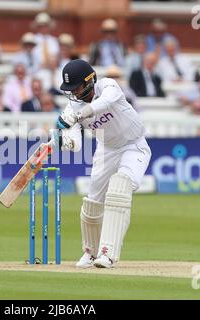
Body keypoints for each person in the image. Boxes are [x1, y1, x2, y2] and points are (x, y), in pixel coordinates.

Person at [53, 59, 152, 268]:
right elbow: (76, 145)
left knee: (120, 186)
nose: (74, 93)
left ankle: (107, 253)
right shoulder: (72, 106)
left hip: (134, 145)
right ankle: (90, 252)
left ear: (89, 81)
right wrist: (64, 139)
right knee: (92, 203)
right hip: (106, 151)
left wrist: (77, 116)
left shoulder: (108, 85)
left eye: (77, 87)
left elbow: (104, 103)